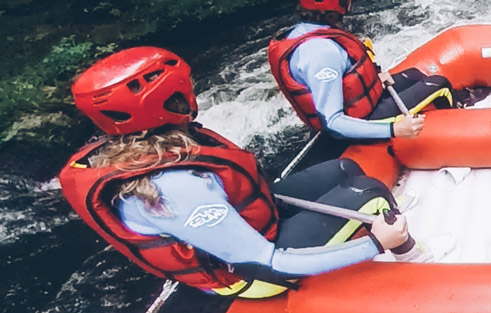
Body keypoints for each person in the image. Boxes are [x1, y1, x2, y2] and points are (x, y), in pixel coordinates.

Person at [59, 47, 424, 301]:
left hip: (250, 225)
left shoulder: (154, 143)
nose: (191, 94)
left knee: (343, 168)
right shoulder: (174, 189)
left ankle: (383, 222)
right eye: (181, 92)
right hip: (251, 275)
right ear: (165, 102)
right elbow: (267, 263)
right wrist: (375, 244)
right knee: (368, 191)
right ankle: (408, 251)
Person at [267, 0, 450, 149]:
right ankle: (457, 122)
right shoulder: (321, 53)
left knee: (414, 75)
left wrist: (374, 79)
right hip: (359, 122)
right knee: (439, 84)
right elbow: (332, 122)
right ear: (340, 2)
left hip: (362, 105)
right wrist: (394, 129)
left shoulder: (305, 31)